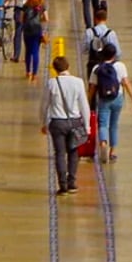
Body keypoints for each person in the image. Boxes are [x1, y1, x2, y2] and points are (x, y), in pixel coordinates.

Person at [40, 54, 90, 195]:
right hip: (74, 121)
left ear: (55, 69)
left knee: (60, 154)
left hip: (57, 122)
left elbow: (44, 105)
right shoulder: (78, 82)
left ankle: (62, 185)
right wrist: (87, 126)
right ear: (68, 66)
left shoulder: (52, 83)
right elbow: (84, 106)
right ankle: (72, 182)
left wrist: (43, 122)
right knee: (74, 152)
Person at [92, 47, 132, 161]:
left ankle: (103, 143)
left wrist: (89, 100)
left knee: (103, 124)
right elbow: (126, 83)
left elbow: (92, 87)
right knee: (114, 125)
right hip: (117, 97)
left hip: (103, 98)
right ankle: (112, 152)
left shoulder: (97, 68)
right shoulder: (120, 66)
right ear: (114, 55)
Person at [20, 0, 48, 79]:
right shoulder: (41, 6)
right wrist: (40, 20)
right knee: (35, 52)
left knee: (28, 51)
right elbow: (46, 19)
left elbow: (21, 19)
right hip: (37, 31)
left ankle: (28, 72)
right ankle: (35, 74)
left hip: (27, 31)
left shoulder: (25, 6)